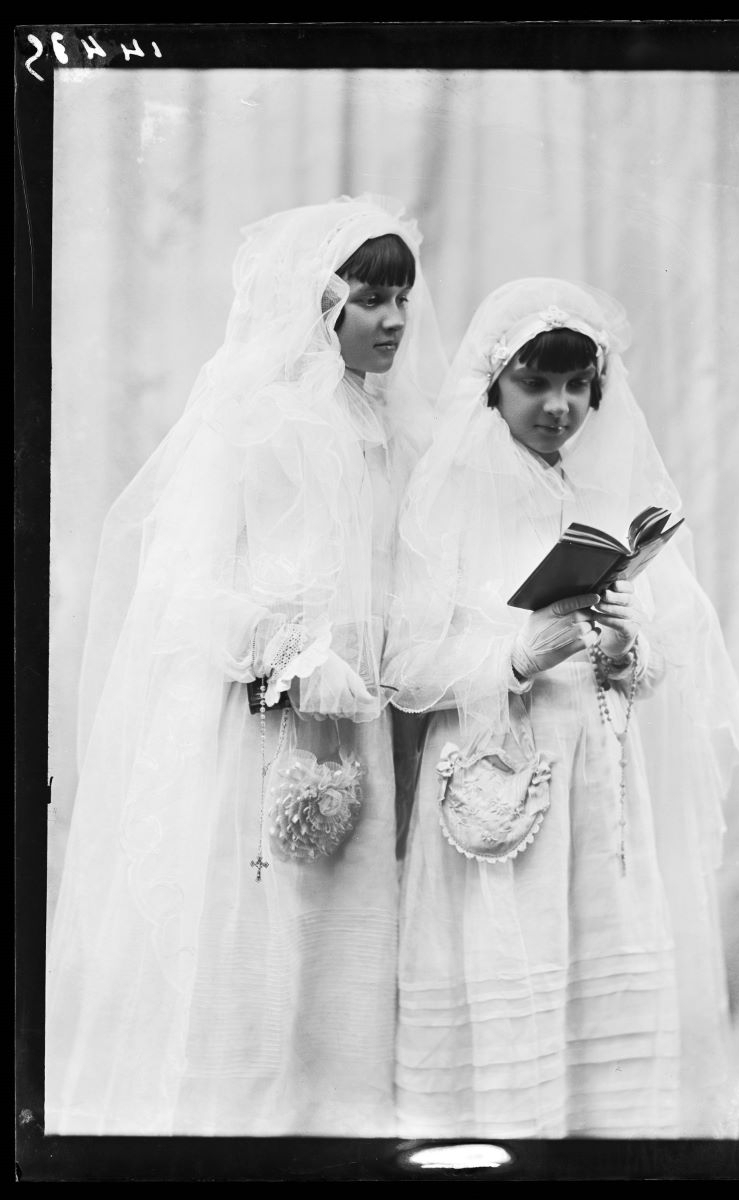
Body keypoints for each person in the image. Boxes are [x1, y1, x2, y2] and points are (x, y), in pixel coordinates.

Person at [45, 194, 446, 1136]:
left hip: (359, 734)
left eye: (403, 298)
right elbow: (185, 592)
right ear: (318, 303)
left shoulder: (398, 431)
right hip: (259, 735)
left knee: (343, 971)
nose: (393, 321)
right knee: (255, 964)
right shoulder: (249, 420)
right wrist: (294, 657)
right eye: (369, 297)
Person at [383, 277, 739, 1139]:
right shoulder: (447, 501)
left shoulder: (605, 502)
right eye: (535, 384)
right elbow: (404, 666)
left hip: (600, 790)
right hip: (496, 785)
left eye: (578, 385)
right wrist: (512, 656)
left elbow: (662, 658)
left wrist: (628, 648)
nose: (559, 407)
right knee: (510, 991)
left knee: (600, 996)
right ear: (493, 387)